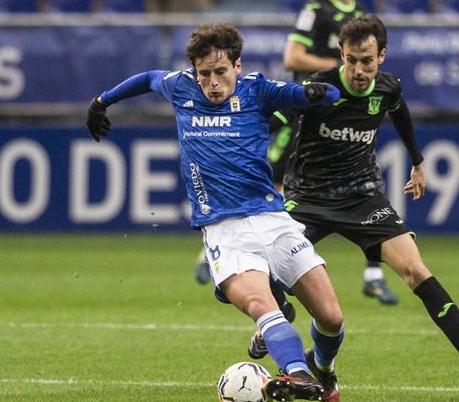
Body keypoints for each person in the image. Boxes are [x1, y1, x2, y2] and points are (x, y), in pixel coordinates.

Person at [248, 15, 459, 394]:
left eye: (366, 61)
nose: (357, 69)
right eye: (350, 59)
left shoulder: (386, 89)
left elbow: (400, 112)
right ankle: (274, 319)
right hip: (307, 199)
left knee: (416, 270)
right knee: (265, 271)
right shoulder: (318, 88)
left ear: (381, 56)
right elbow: (272, 121)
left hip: (363, 198)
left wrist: (417, 162)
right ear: (341, 54)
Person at [86, 23, 345, 402]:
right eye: (203, 73)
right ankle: (297, 374)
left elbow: (316, 94)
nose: (212, 82)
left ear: (237, 66)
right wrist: (101, 102)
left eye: (220, 71)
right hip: (224, 230)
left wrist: (319, 92)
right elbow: (147, 78)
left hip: (274, 220)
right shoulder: (180, 87)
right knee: (262, 304)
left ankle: (320, 369)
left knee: (332, 318)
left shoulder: (258, 90)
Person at [198, 0, 401, 307]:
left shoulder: (359, 14)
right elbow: (292, 55)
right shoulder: (315, 10)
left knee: (366, 180)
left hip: (343, 110)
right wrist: (333, 73)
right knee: (275, 177)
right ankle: (230, 244)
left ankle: (372, 273)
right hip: (306, 109)